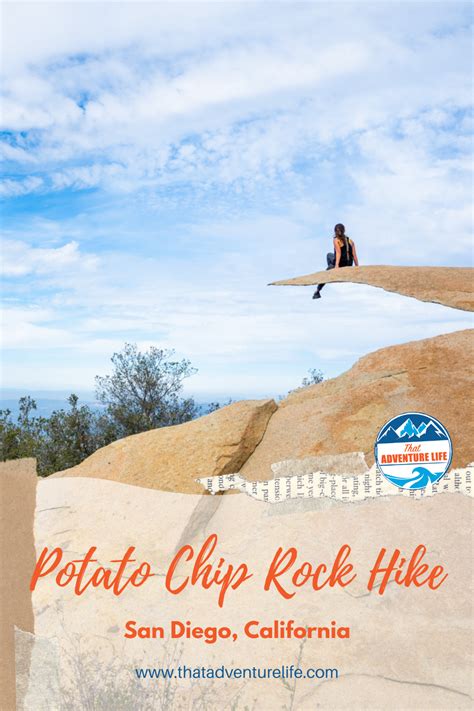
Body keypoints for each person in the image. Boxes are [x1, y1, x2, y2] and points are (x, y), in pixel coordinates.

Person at [312, 223, 359, 299]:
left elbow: (338, 253)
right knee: (329, 255)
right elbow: (354, 256)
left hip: (341, 264)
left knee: (328, 262)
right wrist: (357, 267)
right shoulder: (351, 241)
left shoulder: (336, 240)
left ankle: (317, 291)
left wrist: (336, 266)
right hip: (349, 264)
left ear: (335, 231)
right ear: (344, 230)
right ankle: (331, 267)